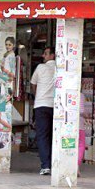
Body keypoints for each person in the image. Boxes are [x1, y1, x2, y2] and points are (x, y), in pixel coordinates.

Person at [30, 46, 56, 175]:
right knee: (53, 135)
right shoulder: (59, 68)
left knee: (42, 135)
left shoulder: (40, 67)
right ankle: (54, 164)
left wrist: (37, 96)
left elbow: (33, 83)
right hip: (56, 106)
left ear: (53, 55)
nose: (43, 56)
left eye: (45, 54)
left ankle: (45, 165)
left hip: (41, 105)